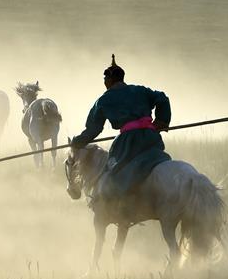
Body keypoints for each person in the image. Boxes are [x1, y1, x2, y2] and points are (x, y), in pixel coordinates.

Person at [71, 54, 171, 205]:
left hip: (128, 141)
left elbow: (93, 129)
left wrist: (77, 142)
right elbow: (162, 98)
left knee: (113, 171)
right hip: (151, 137)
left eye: (105, 79)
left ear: (109, 80)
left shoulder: (103, 100)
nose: (104, 82)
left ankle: (118, 208)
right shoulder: (141, 90)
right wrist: (161, 121)